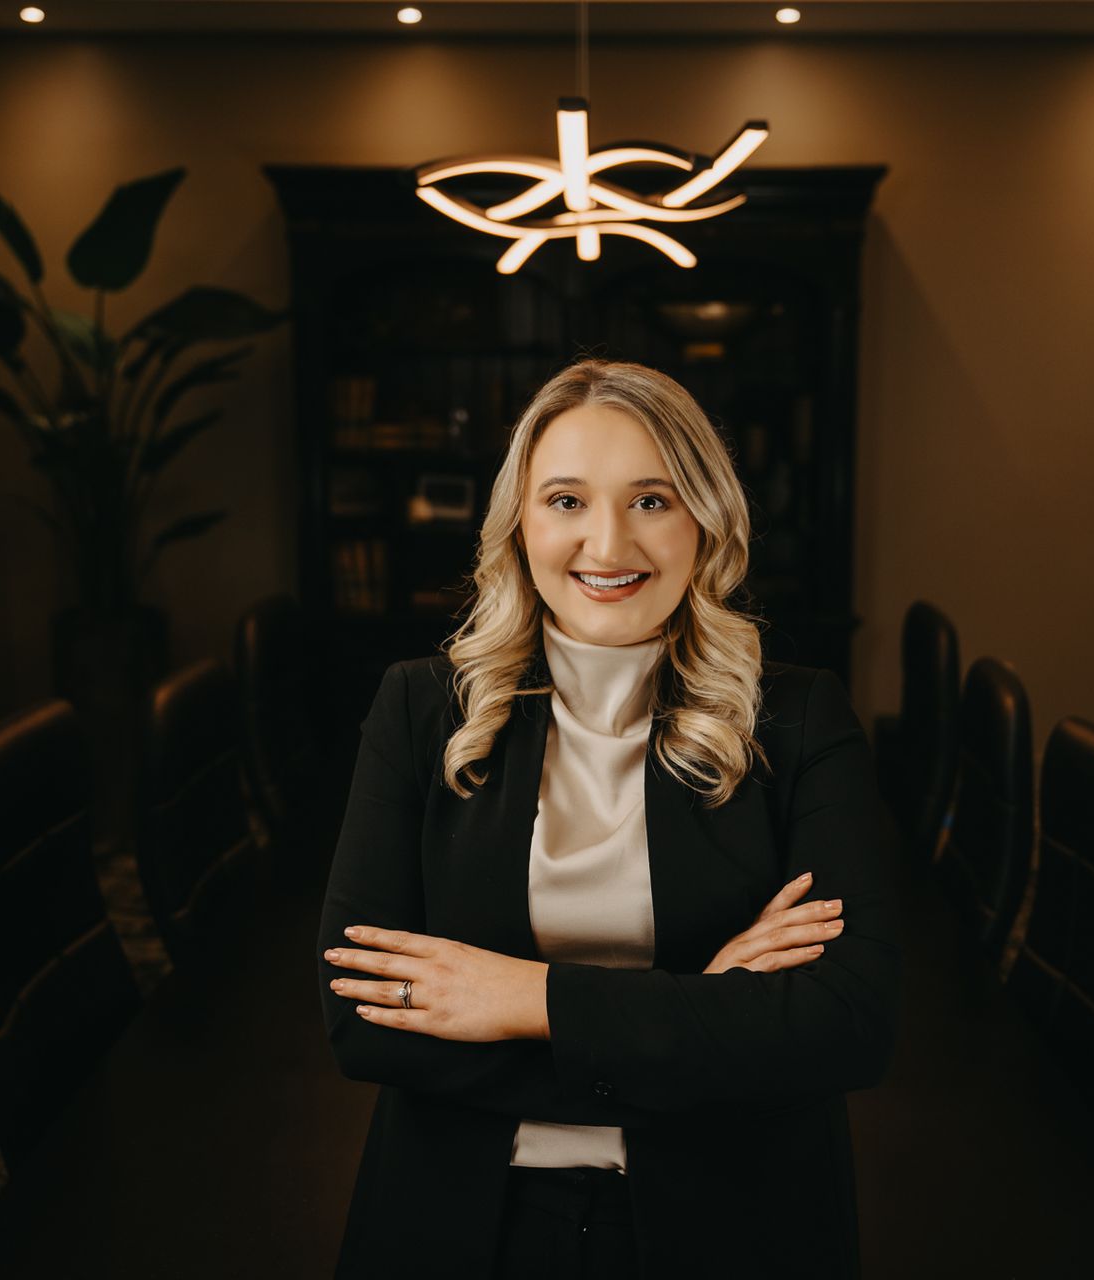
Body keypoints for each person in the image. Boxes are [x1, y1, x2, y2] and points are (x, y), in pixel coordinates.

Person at [314, 358, 902, 1278]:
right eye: (566, 500)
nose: (607, 542)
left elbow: (850, 1026)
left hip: (735, 1224)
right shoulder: (419, 711)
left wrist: (520, 999)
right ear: (519, 524)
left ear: (706, 520)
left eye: (653, 500)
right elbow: (361, 1020)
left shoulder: (798, 719)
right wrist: (708, 1014)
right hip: (464, 1221)